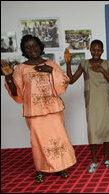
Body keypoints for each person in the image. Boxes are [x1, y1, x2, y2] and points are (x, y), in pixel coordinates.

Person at [1, 34, 76, 183]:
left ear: (40, 47)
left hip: (54, 109)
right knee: (38, 141)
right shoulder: (21, 68)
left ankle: (61, 166)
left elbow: (64, 83)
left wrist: (51, 71)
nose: (32, 49)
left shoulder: (51, 64)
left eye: (34, 45)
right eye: (27, 47)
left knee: (58, 138)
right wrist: (9, 77)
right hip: (34, 112)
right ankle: (40, 169)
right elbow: (16, 93)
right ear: (24, 50)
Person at [64, 39, 109, 173]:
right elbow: (71, 80)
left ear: (103, 51)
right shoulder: (84, 64)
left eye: (99, 50)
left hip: (106, 103)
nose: (96, 52)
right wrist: (68, 63)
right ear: (90, 50)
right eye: (94, 49)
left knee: (107, 130)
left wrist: (102, 71)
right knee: (93, 131)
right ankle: (94, 160)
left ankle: (106, 158)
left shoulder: (108, 63)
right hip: (92, 103)